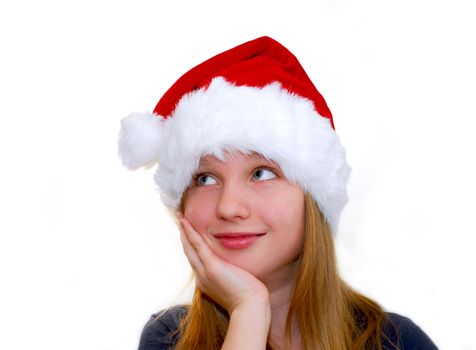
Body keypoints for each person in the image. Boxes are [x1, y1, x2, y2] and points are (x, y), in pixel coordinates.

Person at [119, 36, 438, 350]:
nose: (229, 207)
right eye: (204, 179)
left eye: (261, 173)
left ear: (312, 197)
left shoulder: (396, 342)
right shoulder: (168, 338)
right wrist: (248, 313)